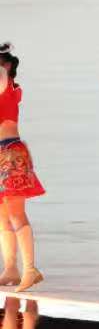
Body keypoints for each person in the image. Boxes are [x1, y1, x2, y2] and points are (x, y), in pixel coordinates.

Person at [0, 45, 45, 292]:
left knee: (16, 213)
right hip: (2, 153)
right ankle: (11, 268)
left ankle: (30, 268)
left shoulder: (8, 86)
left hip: (10, 152)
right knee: (3, 217)